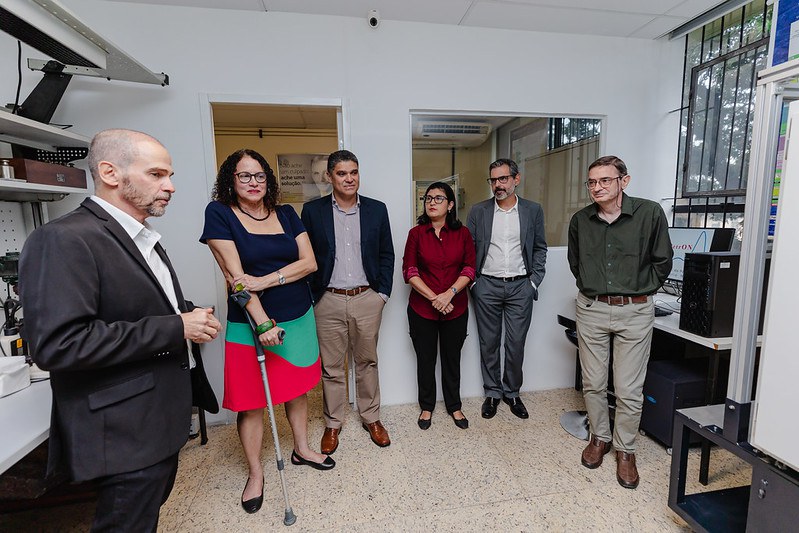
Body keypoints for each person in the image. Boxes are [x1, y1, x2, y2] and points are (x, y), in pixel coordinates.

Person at [19, 129, 222, 532]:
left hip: (156, 419)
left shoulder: (143, 237)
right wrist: (176, 325)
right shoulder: (63, 239)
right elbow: (59, 344)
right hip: (124, 428)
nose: (171, 186)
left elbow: (131, 306)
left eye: (170, 175)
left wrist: (186, 313)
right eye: (157, 174)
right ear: (111, 173)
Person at [200, 148, 334, 515]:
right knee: (253, 402)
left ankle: (302, 448)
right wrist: (261, 322)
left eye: (259, 175)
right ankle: (256, 473)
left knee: (296, 390)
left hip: (298, 316)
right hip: (251, 324)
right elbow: (234, 279)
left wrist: (265, 279)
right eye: (244, 176)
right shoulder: (220, 214)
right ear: (231, 180)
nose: (253, 182)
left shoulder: (288, 214)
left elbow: (309, 263)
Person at [568, 155, 672, 489]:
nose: (597, 187)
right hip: (592, 307)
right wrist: (594, 288)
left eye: (604, 181)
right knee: (594, 381)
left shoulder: (649, 213)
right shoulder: (580, 220)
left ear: (623, 182)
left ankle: (625, 450)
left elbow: (663, 261)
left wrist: (640, 292)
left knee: (629, 388)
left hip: (635, 310)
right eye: (592, 182)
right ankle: (600, 438)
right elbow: (575, 262)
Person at [301, 149, 395, 453]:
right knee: (331, 367)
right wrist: (313, 298)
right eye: (342, 173)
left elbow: (386, 254)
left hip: (367, 297)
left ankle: (372, 418)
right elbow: (306, 257)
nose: (349, 178)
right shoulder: (312, 212)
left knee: (367, 361)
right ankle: (333, 423)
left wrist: (381, 295)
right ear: (330, 177)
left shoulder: (376, 210)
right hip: (327, 299)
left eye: (353, 172)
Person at [467, 158, 547, 420]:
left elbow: (539, 248)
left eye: (503, 179)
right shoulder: (478, 211)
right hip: (486, 285)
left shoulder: (532, 210)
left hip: (520, 287)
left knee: (515, 343)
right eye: (493, 180)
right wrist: (476, 283)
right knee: (488, 343)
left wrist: (533, 281)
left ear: (516, 179)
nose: (498, 185)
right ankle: (492, 393)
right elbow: (469, 251)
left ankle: (512, 393)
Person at [402, 182, 475, 430]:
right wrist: (436, 298)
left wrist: (450, 294)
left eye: (439, 198)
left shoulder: (462, 233)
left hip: (456, 309)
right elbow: (409, 271)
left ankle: (454, 406)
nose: (432, 202)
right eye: (428, 198)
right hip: (422, 309)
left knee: (452, 359)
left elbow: (469, 268)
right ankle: (426, 406)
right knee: (426, 359)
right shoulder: (416, 234)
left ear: (451, 204)